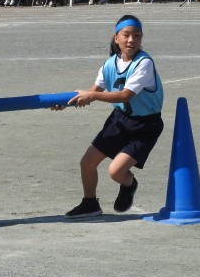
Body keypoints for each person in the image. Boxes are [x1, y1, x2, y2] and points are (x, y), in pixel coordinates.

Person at [53, 15, 164, 218]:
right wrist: (64, 103)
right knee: (87, 162)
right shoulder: (109, 64)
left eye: (137, 36)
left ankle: (129, 185)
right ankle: (90, 204)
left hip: (145, 125)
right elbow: (90, 92)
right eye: (126, 35)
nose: (131, 40)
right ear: (116, 38)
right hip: (119, 119)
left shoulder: (144, 63)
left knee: (115, 172)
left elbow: (125, 95)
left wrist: (93, 95)